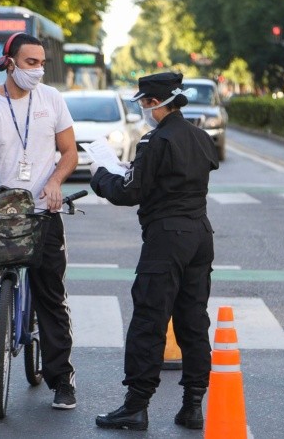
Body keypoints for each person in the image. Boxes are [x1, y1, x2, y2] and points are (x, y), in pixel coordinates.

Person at [0, 33, 79, 410]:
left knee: (51, 298)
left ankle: (62, 380)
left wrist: (55, 182)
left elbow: (69, 152)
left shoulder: (52, 99)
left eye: (42, 63)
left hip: (43, 215)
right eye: (30, 63)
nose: (38, 70)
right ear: (9, 63)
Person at [91, 72, 219, 431]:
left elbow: (128, 192)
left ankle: (136, 406)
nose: (143, 110)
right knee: (193, 320)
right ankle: (193, 405)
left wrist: (100, 176)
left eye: (144, 103)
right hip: (200, 234)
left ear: (153, 103)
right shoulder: (200, 136)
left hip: (166, 238)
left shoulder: (155, 140)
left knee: (149, 319)